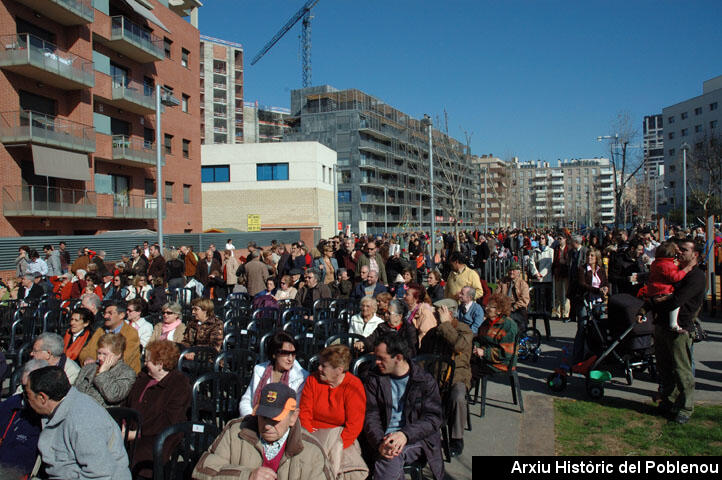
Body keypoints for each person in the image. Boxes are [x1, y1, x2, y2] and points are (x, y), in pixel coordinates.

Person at [193, 382, 333, 480]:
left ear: (293, 417)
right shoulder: (236, 432)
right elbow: (202, 471)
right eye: (264, 417)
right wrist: (247, 476)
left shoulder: (312, 451)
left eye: (275, 419)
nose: (267, 426)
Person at [25, 366, 131, 479]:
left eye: (27, 395)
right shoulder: (56, 410)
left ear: (42, 398)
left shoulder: (83, 420)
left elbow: (100, 474)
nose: (25, 401)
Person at [364, 334, 444, 480]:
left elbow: (433, 418)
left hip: (416, 438)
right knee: (389, 456)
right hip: (383, 437)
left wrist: (405, 434)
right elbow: (371, 415)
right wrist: (379, 442)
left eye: (382, 358)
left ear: (399, 358)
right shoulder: (375, 378)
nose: (376, 362)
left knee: (389, 458)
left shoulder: (423, 380)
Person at [645, 239, 705, 424]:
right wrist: (648, 305)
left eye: (684, 250)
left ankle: (686, 407)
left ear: (694, 255)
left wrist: (661, 300)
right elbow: (657, 290)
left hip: (680, 328)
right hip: (662, 325)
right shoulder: (674, 270)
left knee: (682, 370)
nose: (679, 252)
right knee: (664, 368)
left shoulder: (696, 277)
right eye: (679, 249)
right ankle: (669, 402)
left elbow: (677, 300)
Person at [299, 345, 368, 480]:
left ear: (339, 370)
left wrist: (336, 445)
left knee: (346, 467)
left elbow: (354, 425)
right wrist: (315, 443)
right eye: (319, 364)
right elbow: (304, 414)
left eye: (324, 366)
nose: (319, 368)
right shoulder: (313, 380)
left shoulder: (353, 386)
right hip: (312, 434)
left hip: (340, 438)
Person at [124, 340, 191, 478]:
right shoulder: (143, 377)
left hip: (160, 434)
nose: (144, 363)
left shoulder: (179, 384)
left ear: (160, 364)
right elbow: (127, 404)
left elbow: (168, 420)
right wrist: (123, 425)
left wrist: (137, 433)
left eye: (147, 360)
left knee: (140, 454)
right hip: (130, 430)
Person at [419, 299, 473, 457]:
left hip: (457, 375)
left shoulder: (464, 330)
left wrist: (445, 325)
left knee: (458, 396)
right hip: (434, 375)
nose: (435, 315)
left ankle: (456, 438)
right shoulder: (433, 333)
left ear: (449, 313)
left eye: (438, 312)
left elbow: (459, 346)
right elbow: (423, 357)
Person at [239, 331, 309, 418]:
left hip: (282, 424)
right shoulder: (259, 370)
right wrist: (251, 419)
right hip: (255, 419)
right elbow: (247, 400)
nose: (290, 359)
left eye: (293, 354)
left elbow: (294, 410)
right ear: (274, 354)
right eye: (285, 353)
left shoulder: (301, 377)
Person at [0, 359, 46, 477]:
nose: (25, 391)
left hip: (17, 470)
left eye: (28, 387)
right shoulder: (12, 404)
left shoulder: (45, 416)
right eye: (23, 386)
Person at [637, 241, 692, 333]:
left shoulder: (655, 263)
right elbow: (674, 277)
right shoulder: (667, 265)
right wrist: (685, 270)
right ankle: (673, 323)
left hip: (653, 290)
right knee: (675, 304)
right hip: (664, 290)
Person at [74, 333, 136, 408]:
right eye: (99, 353)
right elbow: (74, 390)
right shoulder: (89, 368)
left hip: (103, 414)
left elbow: (113, 396)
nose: (100, 357)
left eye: (105, 354)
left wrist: (103, 373)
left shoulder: (127, 373)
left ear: (118, 355)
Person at [78, 301, 142, 374]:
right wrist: (88, 358)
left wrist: (100, 365)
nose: (105, 316)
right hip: (95, 371)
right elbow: (85, 351)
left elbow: (125, 359)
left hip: (120, 377)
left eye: (110, 313)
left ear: (121, 315)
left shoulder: (131, 333)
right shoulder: (100, 330)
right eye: (105, 313)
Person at [572, 248, 609, 363]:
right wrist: (597, 290)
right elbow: (582, 284)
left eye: (592, 256)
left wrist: (605, 289)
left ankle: (597, 355)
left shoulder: (601, 270)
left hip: (598, 302)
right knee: (582, 327)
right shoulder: (582, 269)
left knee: (599, 327)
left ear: (596, 258)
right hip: (585, 300)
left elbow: (605, 282)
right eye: (588, 255)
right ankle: (577, 358)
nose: (589, 257)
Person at [471, 293, 518, 376]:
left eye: (490, 307)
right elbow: (479, 339)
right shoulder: (486, 322)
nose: (486, 308)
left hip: (501, 364)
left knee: (468, 372)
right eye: (487, 305)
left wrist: (484, 352)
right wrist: (476, 346)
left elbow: (506, 353)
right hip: (485, 360)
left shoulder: (508, 325)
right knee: (460, 364)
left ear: (499, 310)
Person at [497, 262, 530, 331]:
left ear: (518, 272)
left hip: (517, 308)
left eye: (513, 270)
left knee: (517, 316)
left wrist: (513, 307)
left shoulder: (523, 284)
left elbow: (524, 300)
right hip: (504, 306)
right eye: (510, 270)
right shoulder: (502, 282)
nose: (511, 272)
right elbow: (497, 294)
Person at [551, 234, 570, 320]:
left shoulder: (568, 249)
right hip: (558, 272)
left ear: (565, 239)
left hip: (566, 273)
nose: (559, 240)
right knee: (558, 293)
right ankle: (558, 313)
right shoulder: (556, 248)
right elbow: (554, 260)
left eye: (561, 238)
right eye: (558, 238)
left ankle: (566, 313)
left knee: (566, 294)